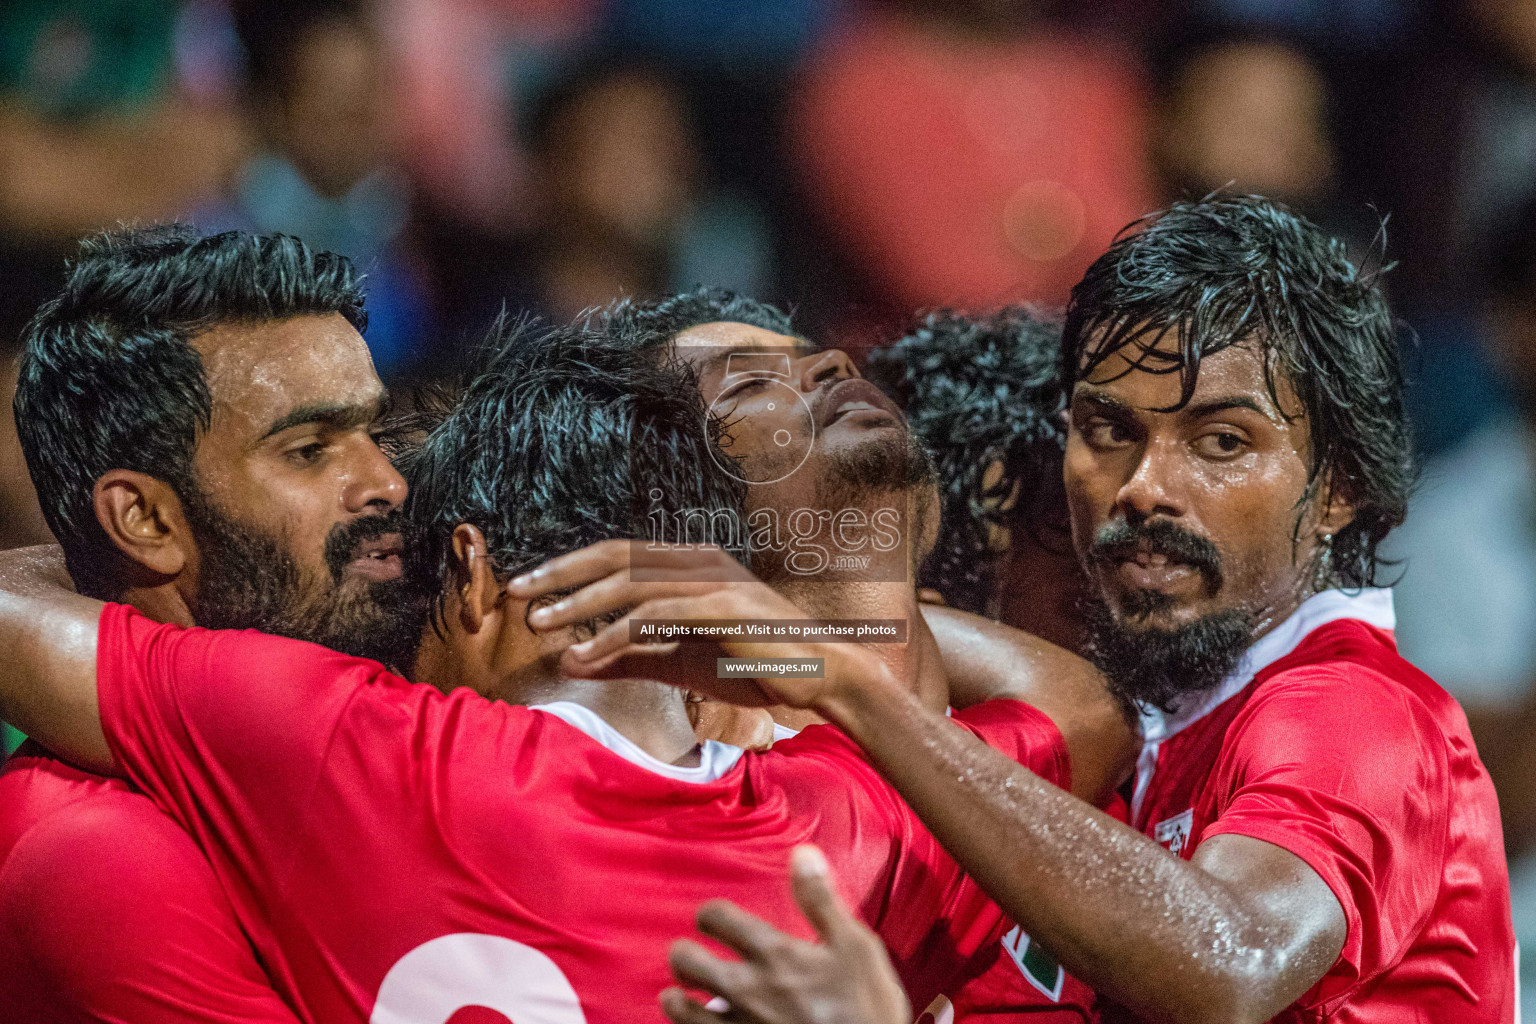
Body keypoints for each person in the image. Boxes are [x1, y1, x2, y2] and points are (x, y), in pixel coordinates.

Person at [531, 195, 1516, 1022]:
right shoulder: (1170, 727)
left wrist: (848, 678)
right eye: (1107, 431)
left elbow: (1237, 958)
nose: (1145, 488)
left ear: (1339, 486)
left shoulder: (1350, 707)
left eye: (1220, 441)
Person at [0, 314, 1095, 1021]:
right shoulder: (831, 833)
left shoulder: (342, 743)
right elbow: (1079, 713)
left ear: (470, 573)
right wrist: (796, 648)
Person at [0, 224, 408, 1023]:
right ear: (146, 519)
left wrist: (732, 651)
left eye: (377, 434)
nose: (387, 482)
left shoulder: (396, 668)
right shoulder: (97, 855)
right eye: (309, 450)